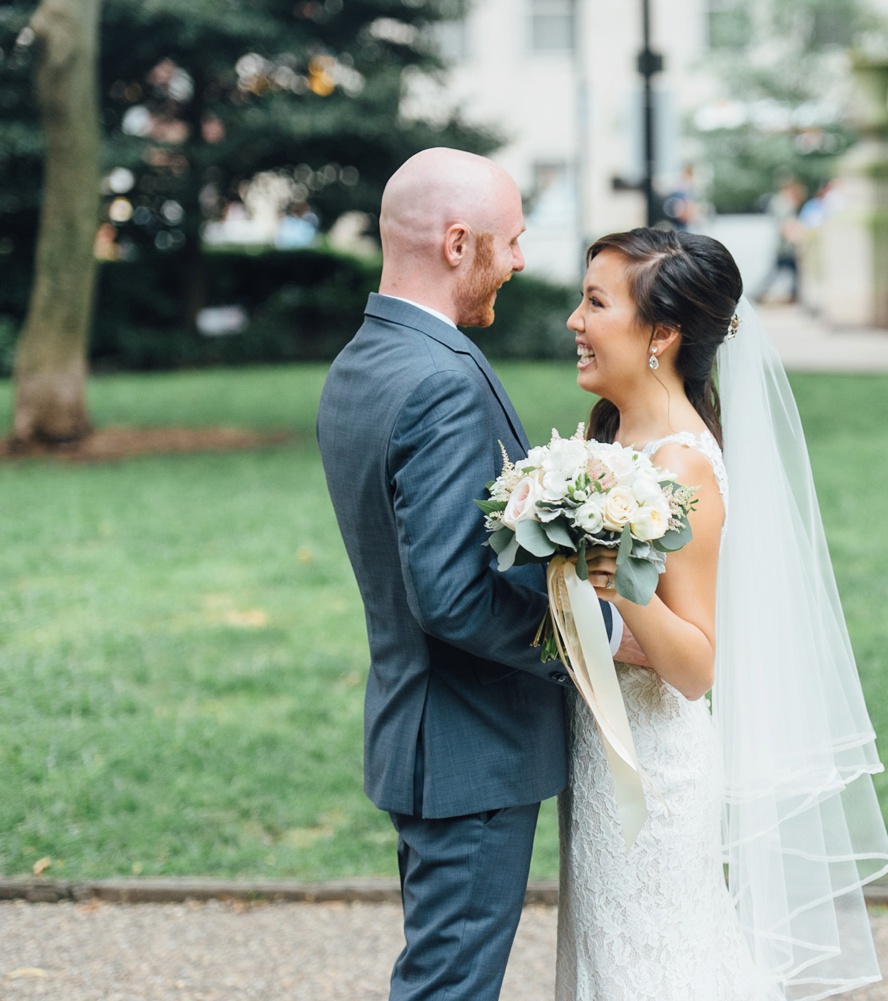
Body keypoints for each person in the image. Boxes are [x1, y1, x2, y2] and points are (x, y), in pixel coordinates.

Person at [316, 147, 633, 1001]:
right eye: (512, 238)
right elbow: (452, 594)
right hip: (469, 742)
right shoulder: (440, 380)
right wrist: (595, 637)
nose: (522, 260)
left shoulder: (365, 358)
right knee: (449, 987)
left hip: (421, 729)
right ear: (459, 243)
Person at [558, 227, 888, 999]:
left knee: (658, 966)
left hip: (656, 769)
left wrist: (618, 588)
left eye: (596, 302)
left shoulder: (681, 463)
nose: (576, 320)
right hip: (603, 755)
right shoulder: (608, 437)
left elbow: (694, 664)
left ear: (663, 334)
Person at [753, 176, 805, 304]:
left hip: (784, 245)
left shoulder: (779, 203)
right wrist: (795, 238)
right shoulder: (784, 204)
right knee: (784, 272)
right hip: (786, 246)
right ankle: (760, 292)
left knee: (784, 272)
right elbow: (785, 225)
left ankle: (761, 292)